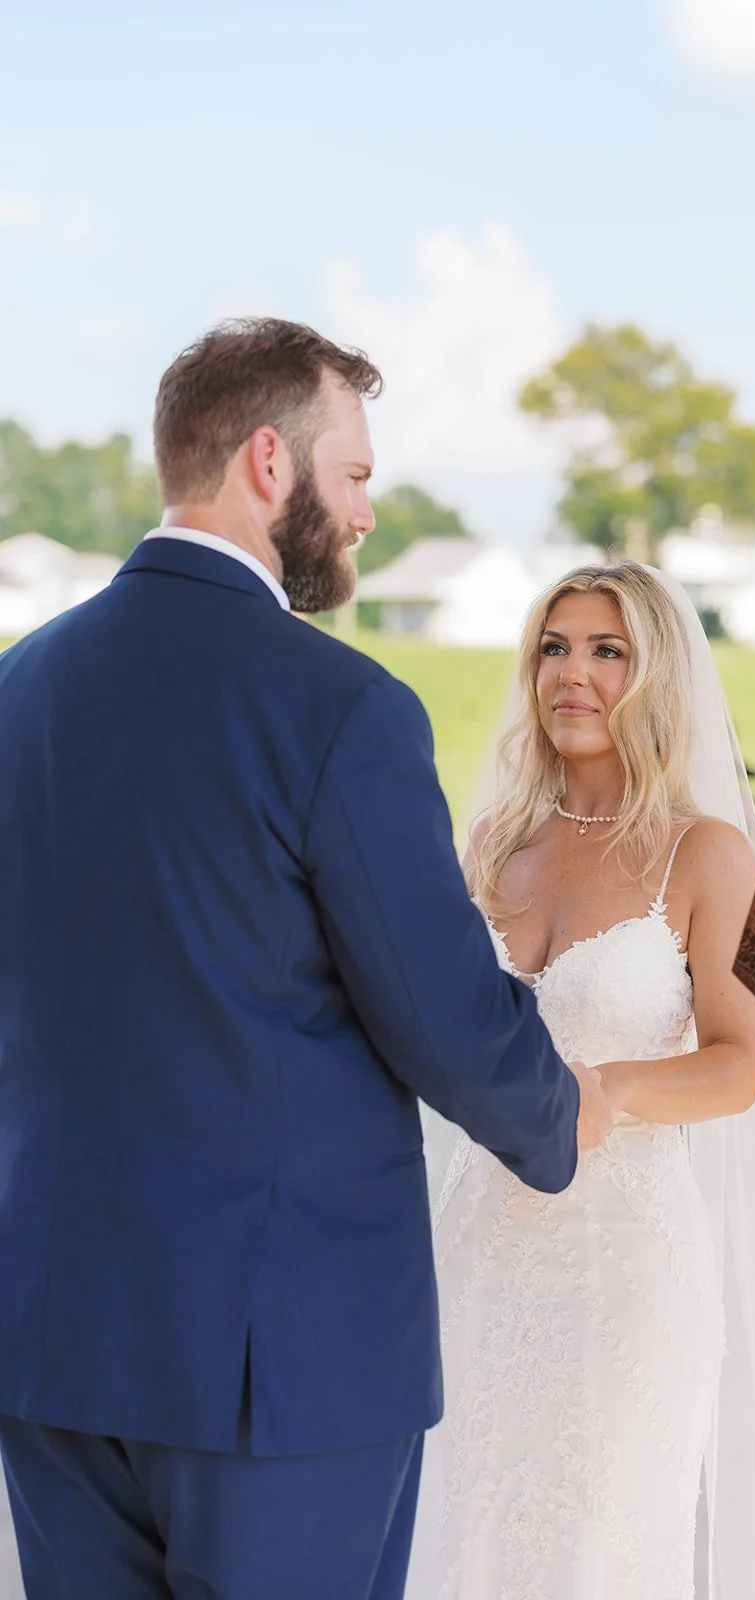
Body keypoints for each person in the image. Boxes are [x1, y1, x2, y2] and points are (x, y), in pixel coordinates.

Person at [0, 317, 609, 1600]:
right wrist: (558, 1115)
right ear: (271, 464)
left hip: (52, 1336)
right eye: (358, 475)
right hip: (277, 1363)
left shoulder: (21, 688)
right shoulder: (341, 707)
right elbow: (441, 1009)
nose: (369, 513)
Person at [411, 559, 755, 1600]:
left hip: (621, 1261)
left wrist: (608, 1091)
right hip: (478, 1247)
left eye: (606, 650)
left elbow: (736, 1063)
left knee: (596, 1547)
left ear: (657, 673)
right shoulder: (492, 843)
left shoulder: (708, 855)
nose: (571, 673)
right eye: (554, 647)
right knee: (471, 1530)